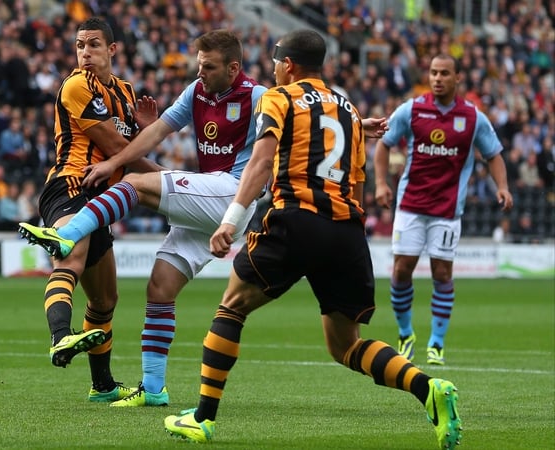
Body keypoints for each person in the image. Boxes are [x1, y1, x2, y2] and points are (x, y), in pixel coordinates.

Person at [162, 30, 462, 450]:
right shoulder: (350, 111)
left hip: (296, 218)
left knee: (232, 307)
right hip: (345, 231)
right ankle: (427, 389)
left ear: (288, 65)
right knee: (345, 345)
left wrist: (231, 219)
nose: (272, 71)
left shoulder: (277, 98)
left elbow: (263, 161)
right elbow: (356, 184)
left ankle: (202, 418)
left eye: (274, 64)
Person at [20, 29, 268, 407]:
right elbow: (156, 134)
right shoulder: (196, 92)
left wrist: (116, 166)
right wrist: (134, 141)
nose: (200, 73)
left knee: (135, 183)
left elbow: (302, 121)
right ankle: (154, 390)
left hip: (233, 193)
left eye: (210, 67)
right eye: (199, 65)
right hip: (209, 202)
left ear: (234, 68)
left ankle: (68, 234)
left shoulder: (258, 96)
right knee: (160, 288)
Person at [18, 17, 161, 403]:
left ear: (112, 50)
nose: (85, 52)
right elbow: (117, 148)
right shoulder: (76, 85)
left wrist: (146, 129)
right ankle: (60, 336)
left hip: (101, 202)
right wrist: (170, 178)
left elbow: (129, 149)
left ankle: (102, 387)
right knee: (72, 259)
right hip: (70, 184)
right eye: (80, 45)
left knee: (105, 300)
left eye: (94, 45)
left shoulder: (127, 93)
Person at [373, 54, 513, 366]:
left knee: (442, 273)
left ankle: (437, 342)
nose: (437, 78)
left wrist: (502, 186)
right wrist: (381, 183)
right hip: (410, 205)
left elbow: (494, 154)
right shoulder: (412, 109)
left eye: (444, 73)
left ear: (457, 78)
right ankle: (406, 333)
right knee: (400, 271)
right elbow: (384, 144)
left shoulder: (473, 117)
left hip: (448, 210)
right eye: (434, 72)